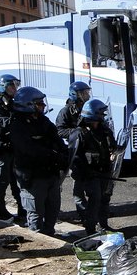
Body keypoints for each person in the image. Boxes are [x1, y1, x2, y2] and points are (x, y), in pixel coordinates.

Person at [10, 87, 68, 235]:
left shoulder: (44, 121)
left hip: (50, 173)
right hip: (33, 176)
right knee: (36, 211)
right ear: (28, 105)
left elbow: (57, 140)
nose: (43, 106)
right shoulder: (18, 125)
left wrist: (63, 154)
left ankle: (50, 234)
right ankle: (40, 241)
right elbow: (30, 150)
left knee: (53, 209)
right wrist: (51, 154)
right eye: (39, 103)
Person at [67, 99, 117, 234]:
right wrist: (86, 172)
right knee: (95, 199)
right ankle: (90, 229)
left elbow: (112, 145)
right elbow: (74, 157)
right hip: (89, 174)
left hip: (104, 171)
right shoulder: (79, 133)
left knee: (105, 198)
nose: (103, 116)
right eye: (101, 114)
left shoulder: (104, 130)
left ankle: (104, 225)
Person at [0, 73, 25, 223]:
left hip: (12, 147)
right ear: (3, 87)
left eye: (15, 86)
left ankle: (23, 210)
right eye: (11, 86)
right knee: (2, 180)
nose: (15, 89)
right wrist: (13, 121)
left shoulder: (11, 102)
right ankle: (0, 211)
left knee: (17, 180)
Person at [56, 81, 93, 223]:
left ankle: (90, 210)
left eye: (87, 92)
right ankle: (82, 212)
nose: (87, 95)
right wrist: (77, 132)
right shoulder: (65, 111)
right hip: (73, 152)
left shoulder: (86, 107)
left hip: (86, 151)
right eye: (84, 93)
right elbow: (59, 130)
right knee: (78, 183)